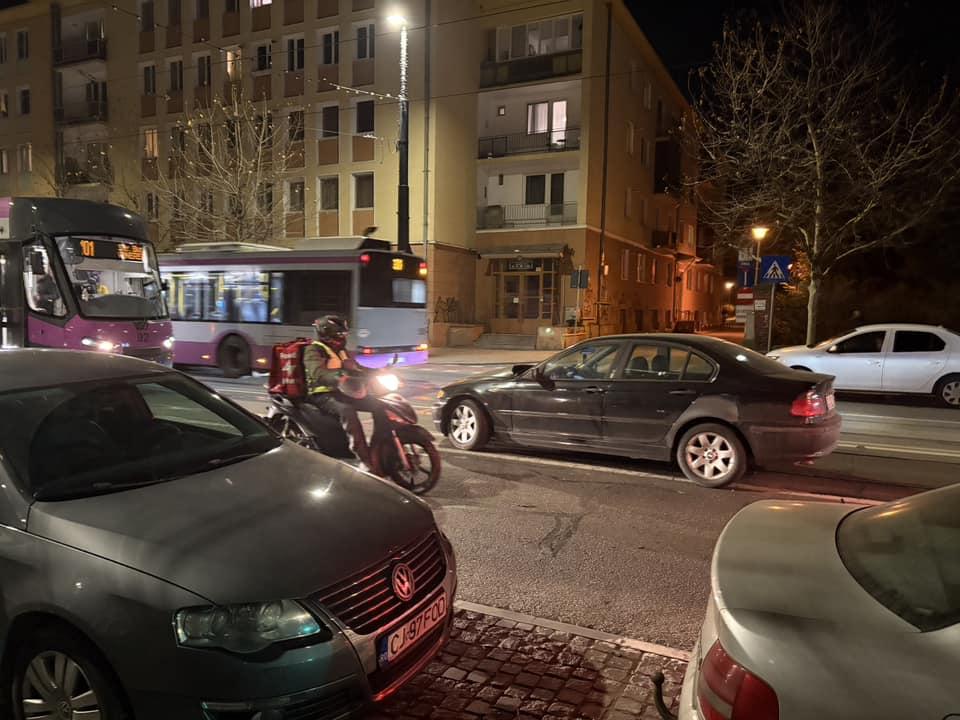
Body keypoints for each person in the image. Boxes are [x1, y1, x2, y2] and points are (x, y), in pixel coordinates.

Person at [303, 315, 372, 467]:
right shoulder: (313, 350)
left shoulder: (341, 350)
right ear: (326, 333)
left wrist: (378, 371)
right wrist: (338, 376)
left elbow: (356, 367)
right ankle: (362, 457)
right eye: (339, 334)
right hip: (322, 394)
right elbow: (318, 373)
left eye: (344, 334)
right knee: (347, 411)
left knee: (379, 404)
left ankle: (384, 443)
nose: (342, 338)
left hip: (344, 391)